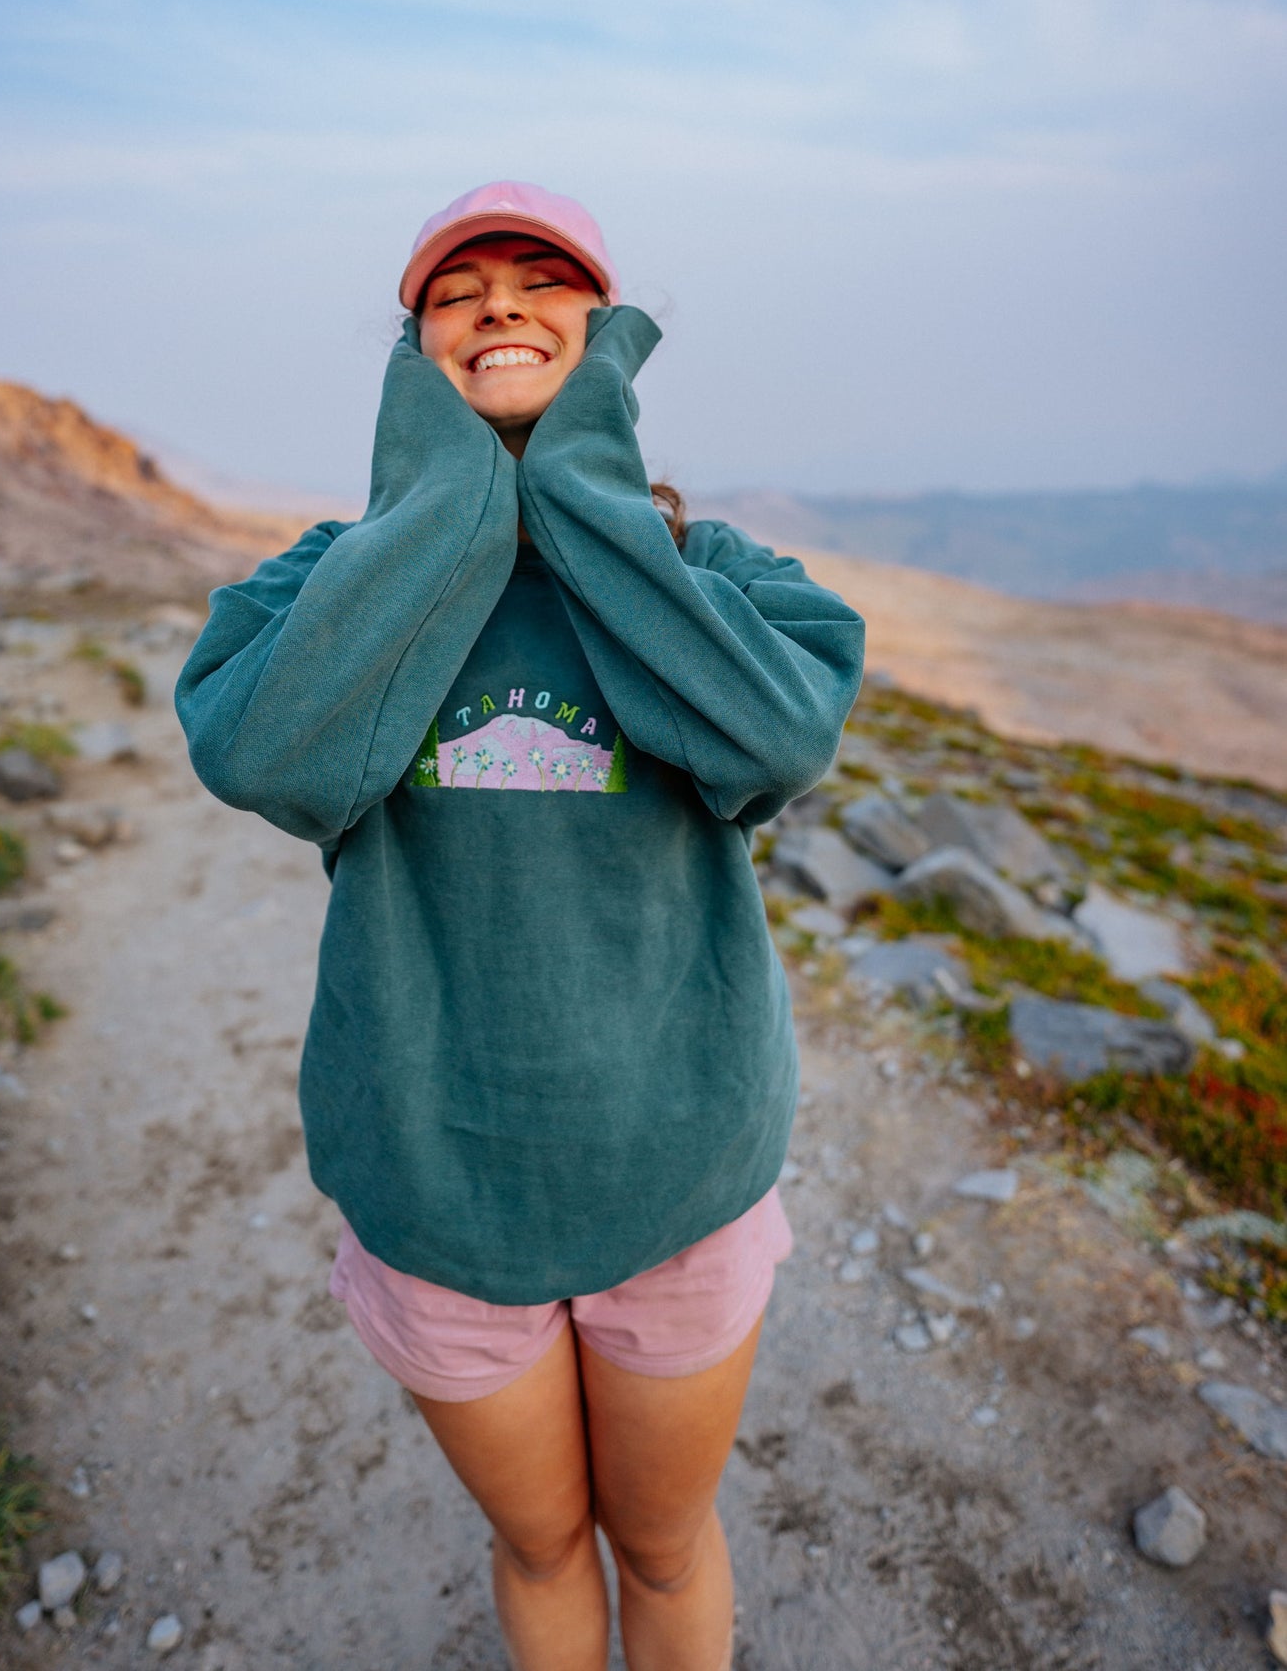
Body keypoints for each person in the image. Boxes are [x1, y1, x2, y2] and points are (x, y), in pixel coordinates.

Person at [176, 181, 865, 1671]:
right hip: (438, 1188)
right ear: (409, 352)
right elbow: (265, 756)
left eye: (540, 278)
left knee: (664, 1550)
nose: (497, 304)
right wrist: (443, 505)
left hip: (676, 1173)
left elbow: (781, 734)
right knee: (542, 1544)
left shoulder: (709, 567)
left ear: (603, 334)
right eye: (454, 289)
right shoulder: (326, 579)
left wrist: (583, 493)